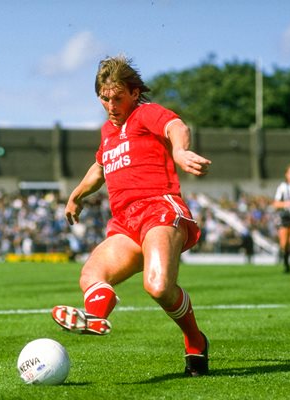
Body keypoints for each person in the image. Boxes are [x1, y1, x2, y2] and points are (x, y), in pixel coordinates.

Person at [51, 55, 212, 377]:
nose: (111, 104)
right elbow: (99, 168)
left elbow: (175, 125)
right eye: (104, 98)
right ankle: (96, 317)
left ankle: (195, 340)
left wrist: (179, 151)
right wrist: (76, 195)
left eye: (118, 97)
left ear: (134, 93)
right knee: (90, 276)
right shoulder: (107, 132)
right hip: (125, 223)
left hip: (160, 209)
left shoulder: (145, 114)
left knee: (157, 287)